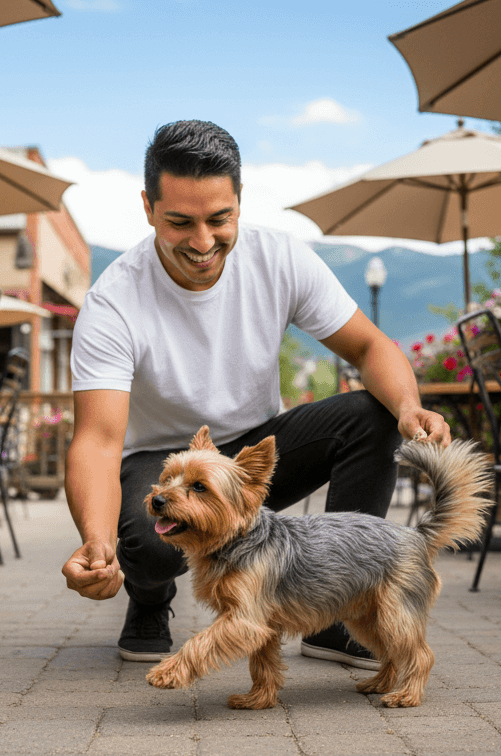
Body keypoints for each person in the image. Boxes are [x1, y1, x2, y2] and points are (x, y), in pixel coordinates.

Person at [62, 120, 451, 667]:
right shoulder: (113, 303)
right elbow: (99, 441)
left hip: (253, 452)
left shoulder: (280, 259)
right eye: (180, 222)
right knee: (150, 541)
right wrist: (96, 541)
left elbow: (368, 347)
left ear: (240, 202)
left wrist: (409, 408)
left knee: (372, 413)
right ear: (148, 208)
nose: (202, 243)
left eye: (219, 219)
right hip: (162, 460)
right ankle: (149, 600)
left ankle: (338, 608)